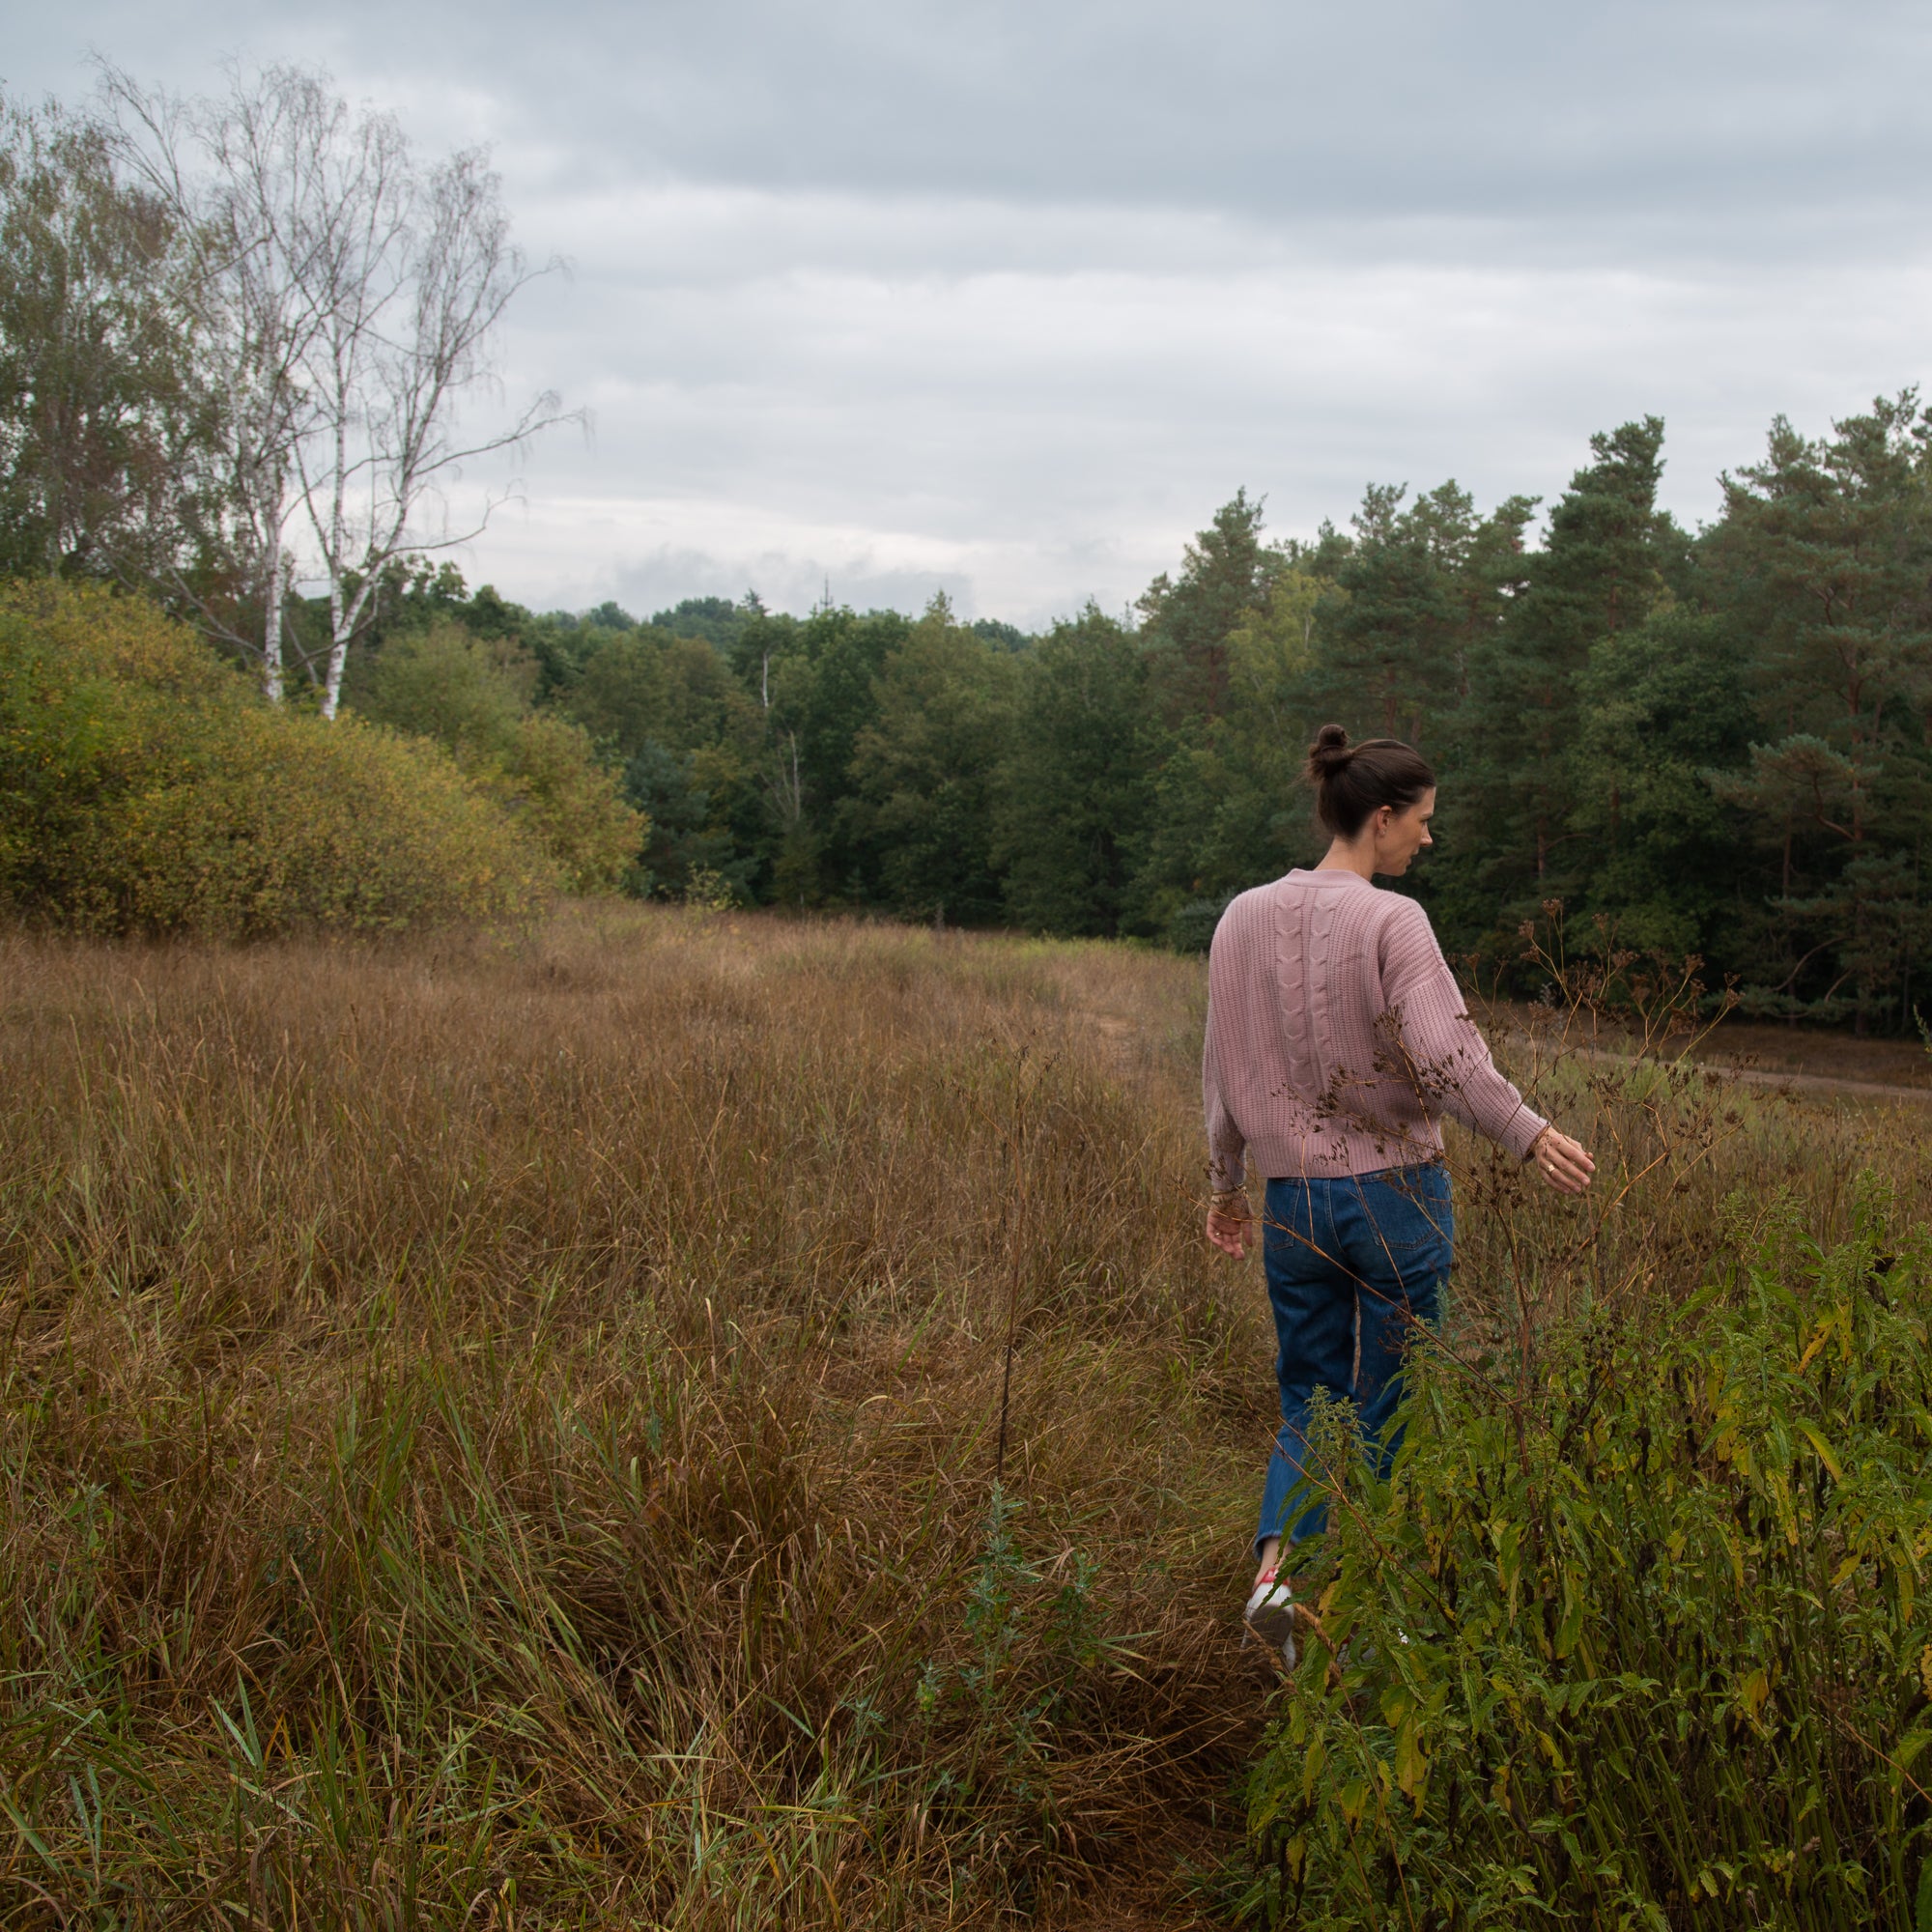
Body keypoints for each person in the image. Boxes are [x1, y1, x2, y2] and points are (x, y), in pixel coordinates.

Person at [1203, 724, 1594, 1664]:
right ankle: (1378, 1624)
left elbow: (1221, 1068)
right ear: (1379, 818)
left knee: (1308, 1397)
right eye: (1421, 821)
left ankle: (1278, 1581)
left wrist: (1223, 1184)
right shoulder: (1391, 920)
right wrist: (1527, 1130)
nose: (1427, 838)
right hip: (1395, 1201)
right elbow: (1448, 1056)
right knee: (1389, 1405)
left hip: (1292, 1204)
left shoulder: (1238, 917)